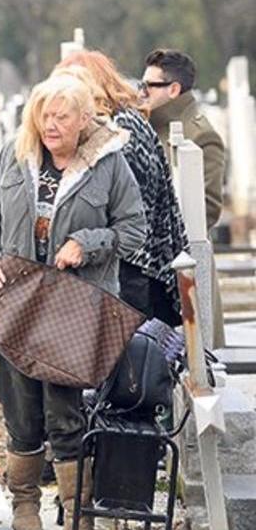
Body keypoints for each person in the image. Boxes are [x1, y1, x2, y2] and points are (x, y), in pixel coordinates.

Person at [0, 73, 146, 530]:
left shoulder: (109, 165)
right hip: (16, 297)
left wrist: (86, 244)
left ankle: (75, 514)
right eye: (44, 114)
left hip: (73, 306)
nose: (51, 124)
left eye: (61, 116)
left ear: (83, 120)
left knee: (64, 412)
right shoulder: (16, 154)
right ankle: (23, 502)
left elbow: (133, 230)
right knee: (19, 408)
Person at [54, 52, 188, 326]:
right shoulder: (120, 123)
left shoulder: (122, 131)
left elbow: (127, 209)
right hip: (128, 264)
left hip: (133, 268)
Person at [140, 48, 225, 231]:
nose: (142, 93)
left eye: (148, 86)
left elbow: (206, 210)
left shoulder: (201, 136)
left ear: (173, 89)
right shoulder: (147, 127)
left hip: (181, 254)